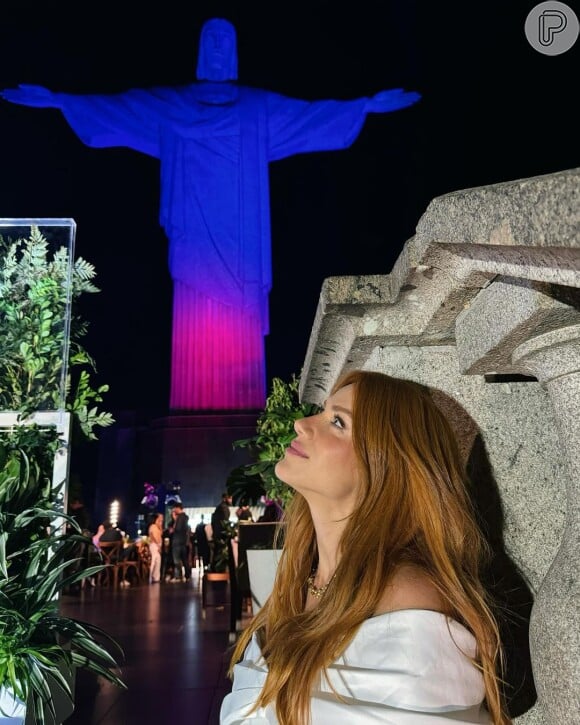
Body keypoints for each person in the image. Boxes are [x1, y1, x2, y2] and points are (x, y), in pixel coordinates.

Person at [0, 18, 421, 412]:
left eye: (226, 42)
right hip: (193, 237)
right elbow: (118, 109)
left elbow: (310, 115)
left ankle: (242, 406)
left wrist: (362, 107)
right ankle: (192, 408)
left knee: (240, 322)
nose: (219, 49)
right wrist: (58, 101)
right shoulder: (172, 104)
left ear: (235, 52)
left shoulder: (257, 108)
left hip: (241, 242)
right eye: (211, 41)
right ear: (201, 51)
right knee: (195, 319)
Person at [220, 371, 511, 724]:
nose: (301, 423)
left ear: (384, 466)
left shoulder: (407, 599)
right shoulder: (298, 583)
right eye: (323, 412)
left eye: (338, 422)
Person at [168, 504, 191, 582]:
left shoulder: (180, 517)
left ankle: (178, 576)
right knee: (185, 560)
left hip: (177, 542)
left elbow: (177, 528)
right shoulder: (185, 517)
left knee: (177, 560)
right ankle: (187, 575)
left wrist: (173, 527)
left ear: (178, 508)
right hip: (183, 542)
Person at [147, 512, 164, 583]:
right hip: (154, 544)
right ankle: (151, 576)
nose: (161, 519)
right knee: (154, 560)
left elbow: (161, 533)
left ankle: (156, 577)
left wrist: (160, 525)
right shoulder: (152, 526)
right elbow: (152, 536)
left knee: (158, 561)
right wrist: (157, 545)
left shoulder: (158, 527)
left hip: (158, 544)